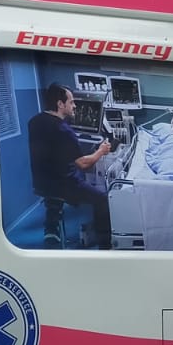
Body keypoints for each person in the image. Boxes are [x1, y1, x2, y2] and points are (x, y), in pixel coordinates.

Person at [27, 83, 112, 248]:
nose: (75, 106)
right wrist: (101, 151)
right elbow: (83, 164)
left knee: (57, 183)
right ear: (60, 104)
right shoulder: (64, 131)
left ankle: (52, 222)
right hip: (63, 185)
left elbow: (51, 150)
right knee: (102, 200)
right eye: (71, 102)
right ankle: (106, 246)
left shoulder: (34, 121)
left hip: (42, 183)